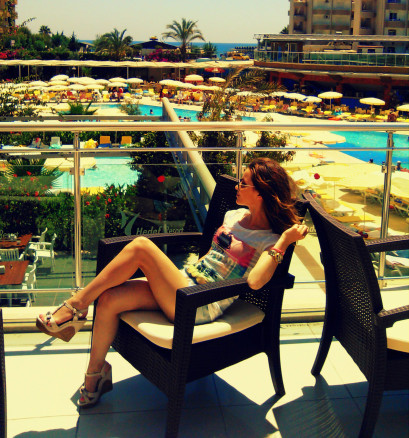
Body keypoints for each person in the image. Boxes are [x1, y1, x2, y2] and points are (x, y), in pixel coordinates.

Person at [36, 158, 308, 408]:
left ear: (260, 192)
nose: (237, 186)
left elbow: (256, 282)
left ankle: (75, 305)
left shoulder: (270, 239)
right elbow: (211, 256)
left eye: (243, 183)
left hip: (201, 304)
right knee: (109, 299)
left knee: (141, 246)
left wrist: (284, 241)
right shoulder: (234, 216)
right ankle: (96, 373)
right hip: (186, 283)